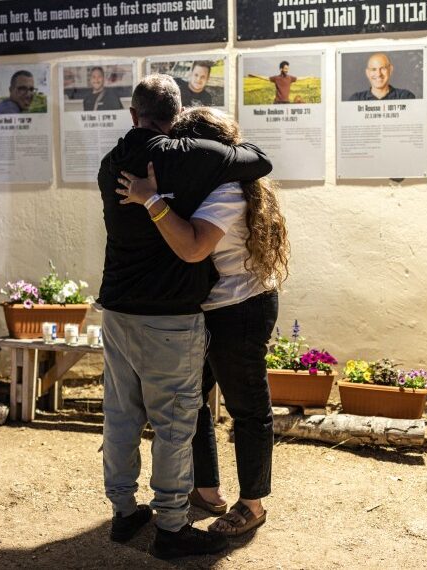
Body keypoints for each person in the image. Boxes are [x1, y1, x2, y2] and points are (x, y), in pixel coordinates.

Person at [97, 74, 272, 559]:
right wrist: (158, 198)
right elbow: (258, 160)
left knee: (121, 414)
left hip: (116, 308)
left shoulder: (110, 163)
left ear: (133, 115)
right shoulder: (188, 160)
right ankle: (172, 528)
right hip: (169, 315)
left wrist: (150, 197)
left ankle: (124, 512)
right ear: (175, 119)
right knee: (176, 421)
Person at [349, 53, 416, 101]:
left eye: (383, 68)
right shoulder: (356, 99)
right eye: (373, 69)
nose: (378, 74)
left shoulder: (405, 97)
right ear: (367, 73)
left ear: (390, 70)